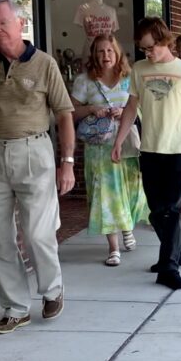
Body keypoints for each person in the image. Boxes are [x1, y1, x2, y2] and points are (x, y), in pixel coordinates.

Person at [0, 0, 75, 334]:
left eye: (2, 23)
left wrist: (66, 162)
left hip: (34, 151)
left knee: (38, 232)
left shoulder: (43, 64)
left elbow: (64, 114)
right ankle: (15, 308)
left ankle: (52, 290)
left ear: (19, 23)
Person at [111, 17, 181, 290]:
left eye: (151, 47)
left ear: (164, 41)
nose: (147, 53)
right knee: (155, 211)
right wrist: (119, 140)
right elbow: (130, 108)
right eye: (143, 49)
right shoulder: (139, 70)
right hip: (149, 149)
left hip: (177, 150)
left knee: (173, 211)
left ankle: (168, 267)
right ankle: (178, 251)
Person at [70, 35, 149, 267]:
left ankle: (127, 227)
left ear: (117, 54)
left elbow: (143, 108)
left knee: (133, 192)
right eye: (100, 52)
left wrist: (124, 111)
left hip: (127, 144)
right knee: (107, 194)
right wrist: (93, 109)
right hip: (99, 148)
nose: (105, 56)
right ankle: (113, 247)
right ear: (94, 55)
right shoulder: (85, 81)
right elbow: (70, 112)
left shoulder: (129, 79)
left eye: (110, 51)